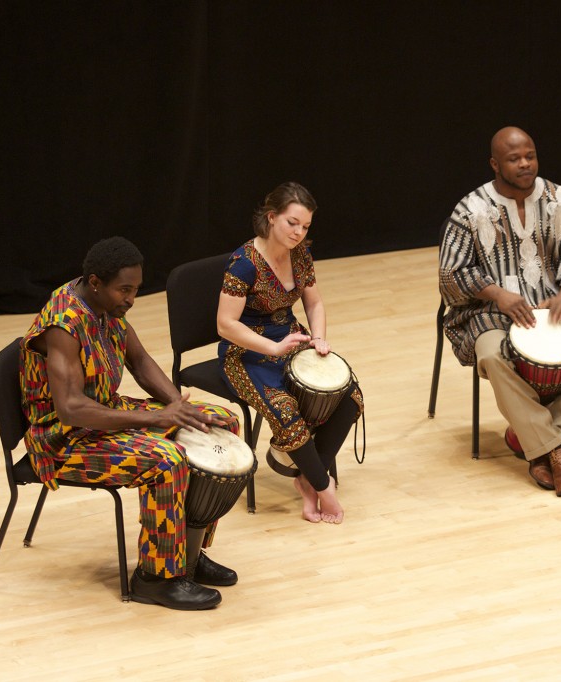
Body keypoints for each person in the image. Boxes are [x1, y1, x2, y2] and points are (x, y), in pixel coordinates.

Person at [20, 236, 241, 610]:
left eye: (136, 289)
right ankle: (155, 578)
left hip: (104, 411)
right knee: (166, 460)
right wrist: (157, 417)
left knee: (219, 423)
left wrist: (177, 406)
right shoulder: (63, 325)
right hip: (65, 440)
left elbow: (138, 362)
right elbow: (71, 408)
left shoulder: (107, 306)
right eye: (125, 290)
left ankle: (188, 552)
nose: (131, 299)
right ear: (95, 282)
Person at [438, 126, 561, 496]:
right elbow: (450, 275)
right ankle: (554, 447)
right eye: (514, 159)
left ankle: (548, 442)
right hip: (490, 311)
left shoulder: (560, 200)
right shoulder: (470, 210)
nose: (525, 164)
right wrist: (498, 294)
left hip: (554, 303)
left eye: (529, 156)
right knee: (492, 354)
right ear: (495, 164)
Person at [217, 181, 362, 524]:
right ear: (271, 218)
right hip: (245, 351)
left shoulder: (301, 255)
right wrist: (272, 347)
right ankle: (323, 489)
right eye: (292, 223)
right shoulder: (243, 263)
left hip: (291, 339)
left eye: (306, 226)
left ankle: (307, 476)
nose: (299, 233)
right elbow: (225, 325)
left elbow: (315, 302)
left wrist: (320, 339)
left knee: (350, 396)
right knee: (287, 412)